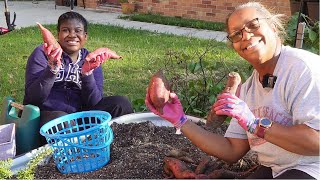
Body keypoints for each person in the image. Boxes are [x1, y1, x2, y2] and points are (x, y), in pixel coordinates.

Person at [145, 2, 319, 179]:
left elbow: (317, 141)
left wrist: (255, 124)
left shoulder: (302, 69)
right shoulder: (250, 88)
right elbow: (232, 149)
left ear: (273, 27)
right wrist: (180, 121)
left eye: (253, 25)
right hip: (279, 169)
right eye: (236, 34)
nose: (246, 35)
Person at [24, 11, 133, 145]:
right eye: (65, 30)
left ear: (85, 36)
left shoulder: (90, 59)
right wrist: (51, 69)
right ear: (57, 34)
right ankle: (78, 151)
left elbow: (94, 102)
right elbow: (32, 99)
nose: (72, 35)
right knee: (63, 121)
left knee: (122, 103)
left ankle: (115, 145)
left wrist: (87, 74)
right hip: (49, 117)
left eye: (78, 31)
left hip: (81, 117)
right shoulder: (42, 53)